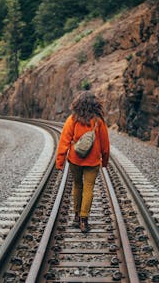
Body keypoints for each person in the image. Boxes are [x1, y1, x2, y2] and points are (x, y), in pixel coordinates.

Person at [56, 91, 110, 232]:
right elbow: (105, 145)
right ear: (95, 105)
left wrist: (60, 161)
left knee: (77, 185)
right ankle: (84, 221)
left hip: (75, 159)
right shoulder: (99, 121)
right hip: (92, 161)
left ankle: (76, 217)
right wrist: (104, 161)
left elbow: (64, 141)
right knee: (89, 187)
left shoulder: (72, 119)